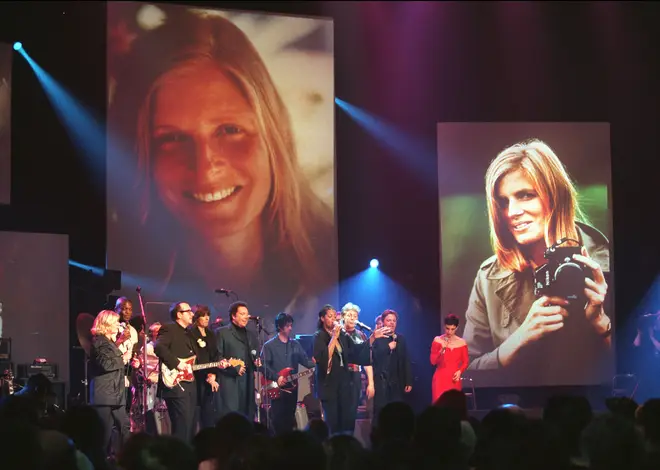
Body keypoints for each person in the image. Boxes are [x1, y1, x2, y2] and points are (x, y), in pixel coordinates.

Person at [108, 8, 336, 333]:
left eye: (229, 130)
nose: (205, 168)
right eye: (172, 139)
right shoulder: (124, 304)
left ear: (275, 134)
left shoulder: (332, 271)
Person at [462, 139, 612, 384]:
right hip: (514, 415)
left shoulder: (605, 261)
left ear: (555, 196)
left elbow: (643, 368)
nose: (511, 212)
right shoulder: (488, 277)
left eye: (525, 195)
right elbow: (465, 371)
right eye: (503, 202)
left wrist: (600, 324)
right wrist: (519, 340)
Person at [313, 304, 373, 434]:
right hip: (329, 385)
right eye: (330, 316)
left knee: (345, 419)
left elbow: (356, 351)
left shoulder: (343, 336)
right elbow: (323, 359)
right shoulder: (319, 336)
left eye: (335, 316)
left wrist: (372, 339)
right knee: (332, 422)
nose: (333, 319)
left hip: (343, 384)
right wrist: (334, 337)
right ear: (322, 318)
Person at [261, 312, 315, 435]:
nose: (290, 328)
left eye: (291, 325)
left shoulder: (295, 344)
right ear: (280, 327)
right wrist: (277, 377)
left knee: (290, 419)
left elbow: (305, 361)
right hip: (276, 388)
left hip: (292, 388)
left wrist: (318, 364)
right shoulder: (269, 346)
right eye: (287, 325)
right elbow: (263, 365)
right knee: (278, 420)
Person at [154, 301, 198, 442]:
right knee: (181, 427)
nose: (192, 314)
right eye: (188, 311)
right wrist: (177, 363)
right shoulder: (169, 329)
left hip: (190, 385)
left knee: (190, 427)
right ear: (179, 314)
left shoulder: (189, 333)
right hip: (176, 386)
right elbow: (159, 348)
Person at [88, 309, 131, 454]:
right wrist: (122, 359)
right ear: (107, 324)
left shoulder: (108, 342)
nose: (118, 325)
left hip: (115, 394)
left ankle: (128, 459)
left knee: (125, 427)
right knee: (104, 435)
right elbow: (106, 364)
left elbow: (111, 357)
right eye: (116, 322)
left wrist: (120, 344)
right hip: (105, 395)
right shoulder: (98, 341)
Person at [216, 301, 261, 420]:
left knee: (248, 416)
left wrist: (257, 362)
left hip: (248, 381)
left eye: (247, 314)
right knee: (232, 418)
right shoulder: (222, 333)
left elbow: (254, 354)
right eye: (242, 314)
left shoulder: (251, 335)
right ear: (233, 316)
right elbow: (218, 357)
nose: (246, 317)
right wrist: (234, 368)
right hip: (231, 382)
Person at [339, 303, 376, 434]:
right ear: (343, 316)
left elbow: (367, 361)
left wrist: (371, 383)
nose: (352, 318)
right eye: (349, 315)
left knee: (352, 410)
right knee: (340, 410)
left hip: (355, 376)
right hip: (339, 376)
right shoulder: (337, 333)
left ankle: (349, 437)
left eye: (355, 316)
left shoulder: (361, 335)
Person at [371, 309, 413, 423]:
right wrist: (387, 347)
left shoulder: (400, 339)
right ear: (383, 322)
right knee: (381, 411)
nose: (392, 323)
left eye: (394, 320)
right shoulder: (377, 338)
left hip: (397, 381)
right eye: (389, 320)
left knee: (397, 411)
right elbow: (373, 357)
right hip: (382, 380)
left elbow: (405, 360)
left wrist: (408, 381)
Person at [189, 305, 221, 429]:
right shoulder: (191, 333)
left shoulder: (211, 334)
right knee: (195, 412)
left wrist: (213, 374)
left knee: (208, 413)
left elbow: (215, 355)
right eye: (203, 315)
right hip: (195, 376)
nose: (207, 318)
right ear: (196, 318)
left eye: (208, 315)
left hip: (209, 376)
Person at [431, 314, 469, 403]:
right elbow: (433, 361)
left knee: (454, 405)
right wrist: (442, 349)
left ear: (456, 328)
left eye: (452, 329)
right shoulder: (437, 340)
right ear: (444, 326)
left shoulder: (462, 342)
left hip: (454, 379)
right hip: (440, 378)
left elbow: (465, 361)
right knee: (439, 405)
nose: (449, 332)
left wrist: (460, 371)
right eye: (447, 328)